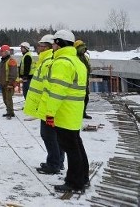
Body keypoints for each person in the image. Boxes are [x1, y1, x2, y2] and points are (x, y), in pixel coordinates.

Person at [43, 30, 89, 193]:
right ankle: (83, 177)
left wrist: (49, 113)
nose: (52, 46)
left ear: (60, 43)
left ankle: (74, 182)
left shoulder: (62, 62)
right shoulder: (77, 61)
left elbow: (57, 91)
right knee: (77, 145)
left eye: (54, 43)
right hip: (74, 112)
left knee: (71, 148)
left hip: (64, 111)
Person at [24, 34, 65, 174]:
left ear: (47, 47)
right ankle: (58, 162)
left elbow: (50, 86)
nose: (38, 48)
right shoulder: (45, 60)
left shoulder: (48, 61)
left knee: (48, 135)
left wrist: (47, 106)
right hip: (46, 104)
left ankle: (54, 164)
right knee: (54, 135)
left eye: (40, 46)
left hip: (48, 105)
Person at [0, 44, 18, 118]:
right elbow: (1, 73)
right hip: (3, 83)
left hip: (8, 84)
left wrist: (10, 83)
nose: (0, 53)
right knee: (5, 99)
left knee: (8, 99)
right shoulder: (3, 61)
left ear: (6, 52)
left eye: (2, 52)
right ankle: (9, 111)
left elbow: (13, 73)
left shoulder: (11, 61)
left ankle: (10, 112)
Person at [75, 40, 92, 119]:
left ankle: (83, 113)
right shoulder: (75, 57)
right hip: (78, 82)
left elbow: (88, 67)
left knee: (86, 98)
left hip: (85, 81)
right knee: (78, 99)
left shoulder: (85, 57)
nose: (83, 49)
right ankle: (77, 113)